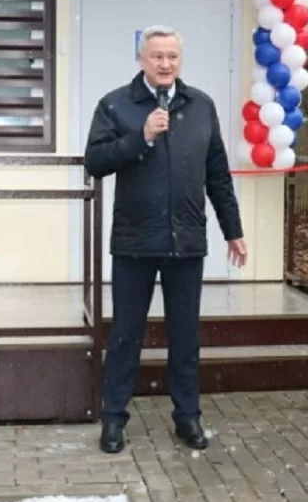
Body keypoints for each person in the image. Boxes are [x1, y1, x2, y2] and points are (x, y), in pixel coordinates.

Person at [84, 25, 247, 455]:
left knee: (185, 335)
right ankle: (113, 419)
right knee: (126, 334)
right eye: (157, 56)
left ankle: (187, 416)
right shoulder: (116, 104)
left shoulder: (201, 106)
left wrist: (233, 230)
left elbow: (218, 175)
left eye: (172, 56)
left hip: (186, 240)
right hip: (135, 241)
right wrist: (141, 138)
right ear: (141, 59)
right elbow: (95, 161)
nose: (165, 64)